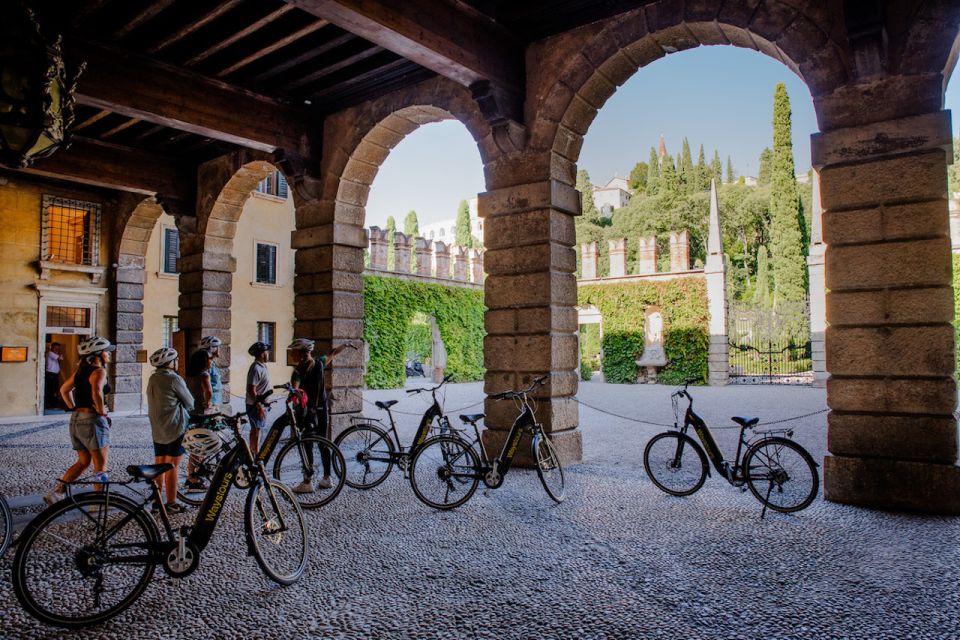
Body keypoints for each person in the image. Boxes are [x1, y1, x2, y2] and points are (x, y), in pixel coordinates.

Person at [44, 336, 114, 504]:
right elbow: (97, 391)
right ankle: (99, 503)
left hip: (76, 419)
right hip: (92, 420)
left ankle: (57, 493)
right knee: (100, 465)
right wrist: (101, 411)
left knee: (83, 461)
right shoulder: (99, 371)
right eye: (107, 352)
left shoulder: (80, 372)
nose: (109, 355)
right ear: (99, 355)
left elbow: (64, 390)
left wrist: (73, 407)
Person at [146, 347, 194, 514]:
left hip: (158, 427)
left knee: (160, 463)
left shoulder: (153, 378)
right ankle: (171, 502)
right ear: (170, 362)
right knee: (173, 465)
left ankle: (157, 499)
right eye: (176, 360)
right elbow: (190, 402)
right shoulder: (174, 379)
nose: (177, 363)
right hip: (175, 427)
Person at [245, 341, 272, 457]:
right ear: (262, 354)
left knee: (256, 429)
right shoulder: (256, 368)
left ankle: (252, 453)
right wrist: (259, 406)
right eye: (267, 352)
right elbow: (251, 389)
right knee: (256, 430)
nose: (268, 354)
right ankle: (255, 455)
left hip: (259, 404)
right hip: (256, 405)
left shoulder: (262, 366)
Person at [198, 336, 223, 407]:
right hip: (211, 401)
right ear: (212, 349)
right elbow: (206, 387)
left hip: (216, 399)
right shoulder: (206, 365)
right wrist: (208, 401)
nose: (218, 350)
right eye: (217, 347)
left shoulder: (212, 363)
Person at [44, 342, 63, 409]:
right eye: (56, 348)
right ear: (52, 348)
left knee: (54, 389)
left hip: (54, 375)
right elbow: (61, 358)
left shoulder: (54, 354)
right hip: (51, 375)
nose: (57, 349)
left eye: (58, 348)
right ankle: (51, 405)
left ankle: (53, 404)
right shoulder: (50, 353)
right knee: (51, 390)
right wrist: (60, 353)